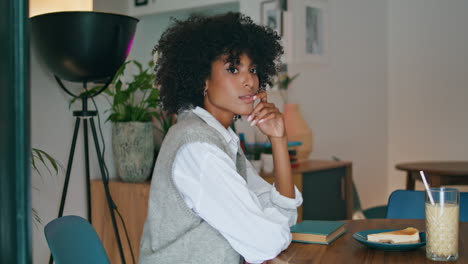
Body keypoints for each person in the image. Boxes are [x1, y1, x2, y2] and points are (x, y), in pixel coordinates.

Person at [139, 12, 302, 264]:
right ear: (202, 78)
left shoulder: (218, 138)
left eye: (253, 69)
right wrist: (271, 227)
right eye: (233, 69)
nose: (249, 81)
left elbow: (285, 217)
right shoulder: (199, 147)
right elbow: (267, 243)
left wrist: (278, 140)